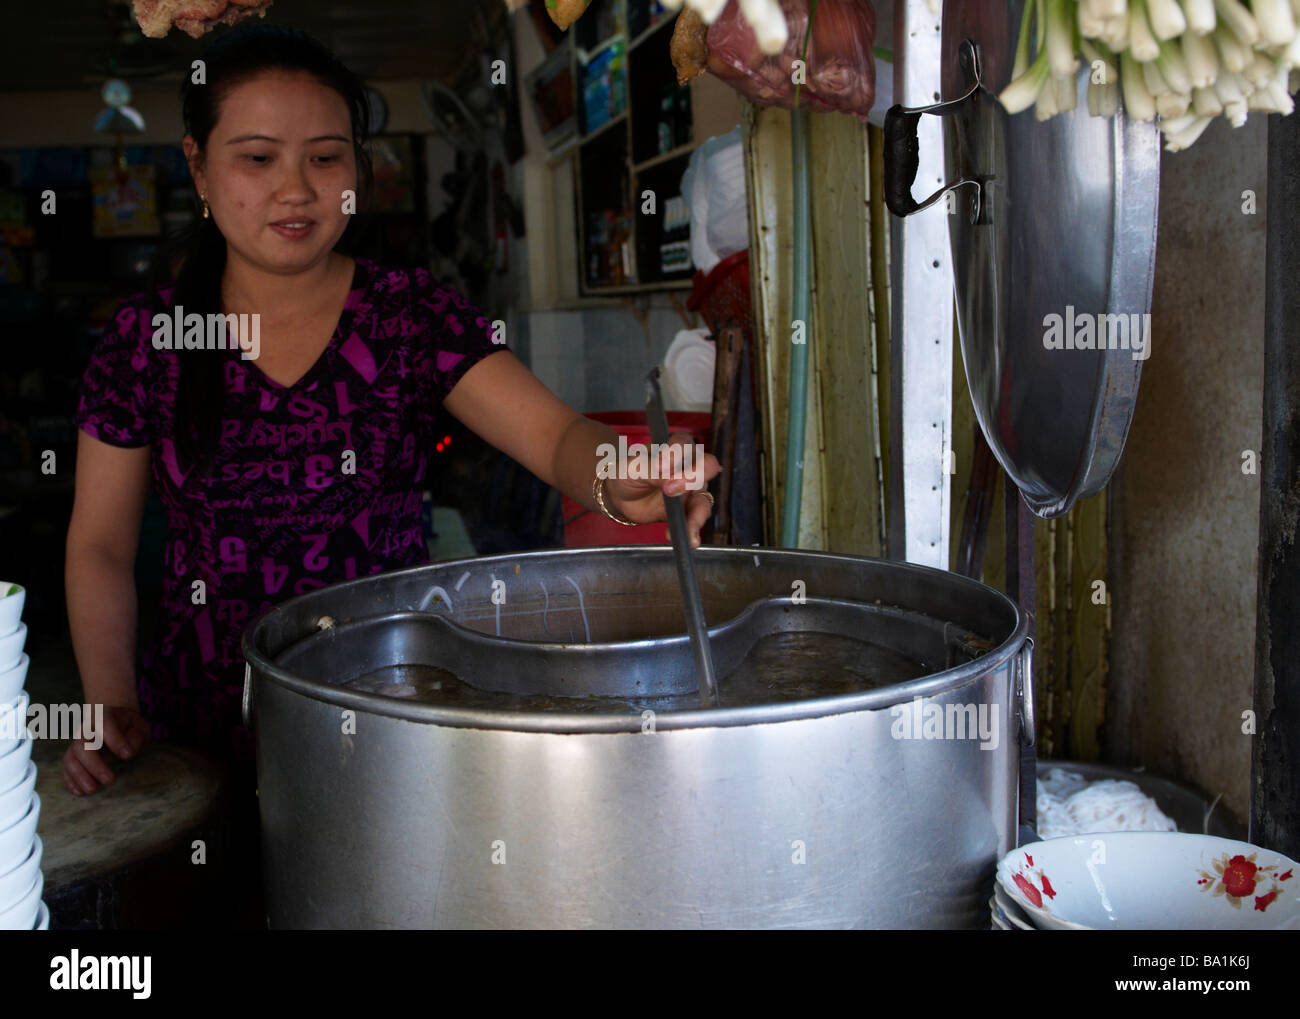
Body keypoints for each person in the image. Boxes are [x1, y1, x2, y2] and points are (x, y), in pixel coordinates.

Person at [61, 23, 718, 919]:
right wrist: (108, 701)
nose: (297, 188)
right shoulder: (146, 342)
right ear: (199, 168)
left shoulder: (411, 314)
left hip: (392, 715)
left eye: (326, 158)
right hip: (203, 731)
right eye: (258, 158)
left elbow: (559, 437)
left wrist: (623, 474)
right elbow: (99, 544)